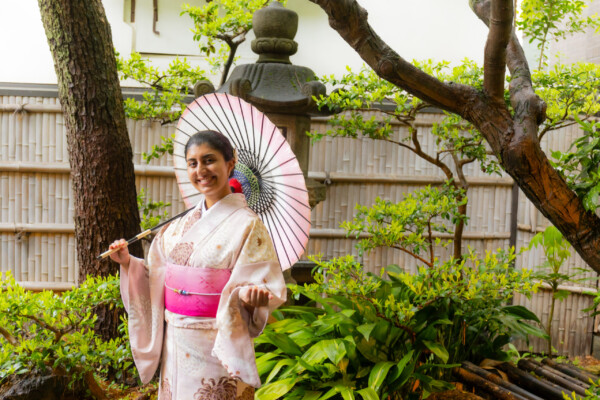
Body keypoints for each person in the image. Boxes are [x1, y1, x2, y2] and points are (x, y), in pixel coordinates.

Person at [108, 130, 286, 400]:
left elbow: (262, 283)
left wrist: (249, 297)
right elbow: (156, 275)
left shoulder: (248, 225)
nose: (201, 170)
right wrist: (128, 262)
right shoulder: (179, 225)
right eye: (193, 163)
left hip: (216, 344)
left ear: (230, 163)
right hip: (175, 341)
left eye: (209, 160)